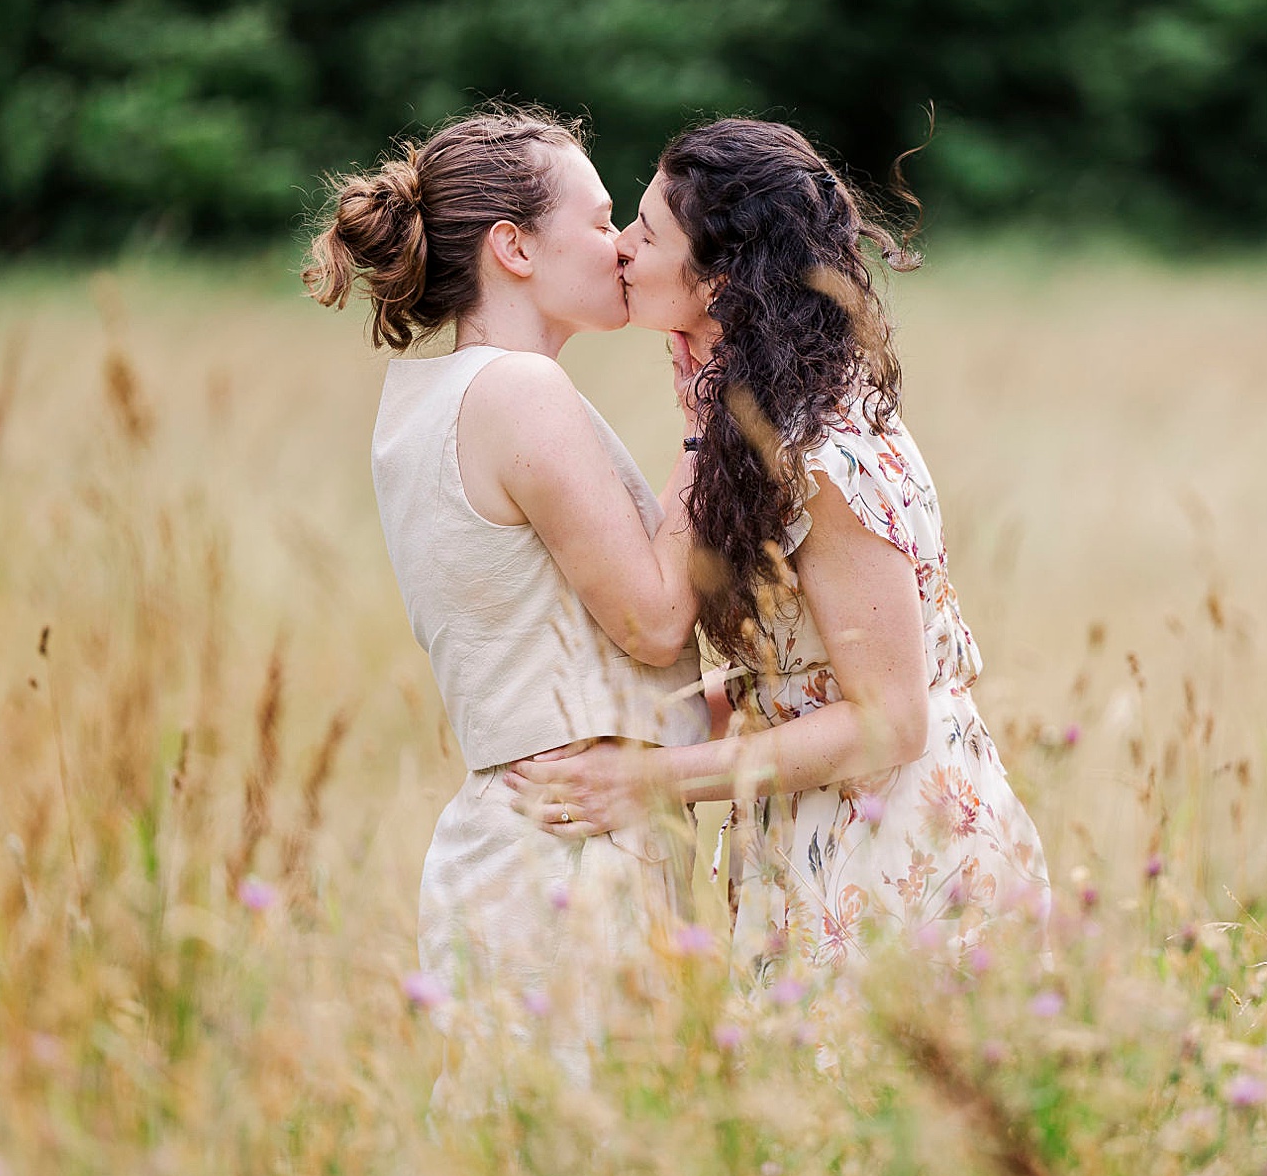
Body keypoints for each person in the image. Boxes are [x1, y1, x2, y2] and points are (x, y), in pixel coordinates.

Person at [504, 119, 1052, 991]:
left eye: (646, 233)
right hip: (820, 828)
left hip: (896, 844)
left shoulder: (822, 456)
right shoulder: (767, 424)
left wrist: (654, 780)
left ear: (719, 280)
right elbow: (796, 676)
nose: (622, 252)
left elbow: (888, 719)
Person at [304, 105, 710, 1095]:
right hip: (572, 855)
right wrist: (712, 422)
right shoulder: (520, 391)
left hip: (525, 834)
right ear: (514, 247)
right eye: (601, 216)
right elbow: (655, 618)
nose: (621, 245)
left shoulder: (426, 399)